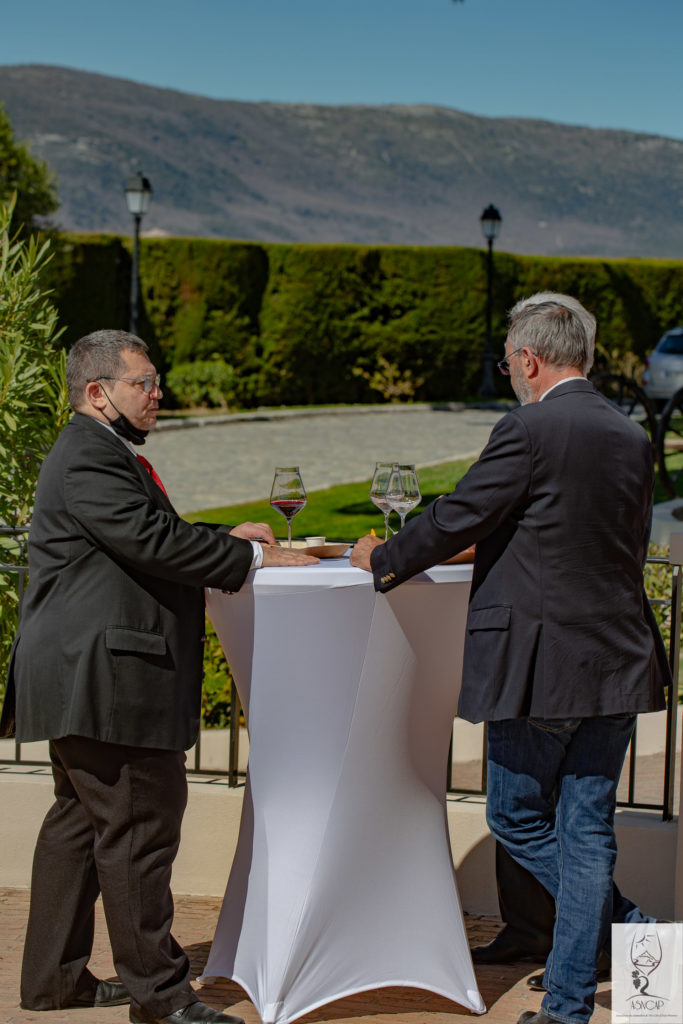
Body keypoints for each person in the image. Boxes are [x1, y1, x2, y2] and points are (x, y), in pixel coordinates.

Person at [351, 297, 670, 1024]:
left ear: (527, 360)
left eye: (508, 364)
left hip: (541, 665)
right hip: (617, 659)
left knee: (517, 817)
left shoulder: (526, 428)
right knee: (586, 829)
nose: (511, 375)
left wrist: (382, 557)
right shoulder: (628, 436)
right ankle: (567, 1007)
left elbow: (460, 514)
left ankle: (636, 936)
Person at [0, 330, 318, 1024]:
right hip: (109, 676)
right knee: (139, 829)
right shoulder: (90, 453)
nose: (156, 393)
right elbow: (148, 541)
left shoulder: (95, 452)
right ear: (97, 392)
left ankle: (55, 981)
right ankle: (163, 999)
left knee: (80, 827)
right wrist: (254, 564)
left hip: (82, 675)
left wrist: (221, 540)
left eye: (155, 381)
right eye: (142, 382)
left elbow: (143, 532)